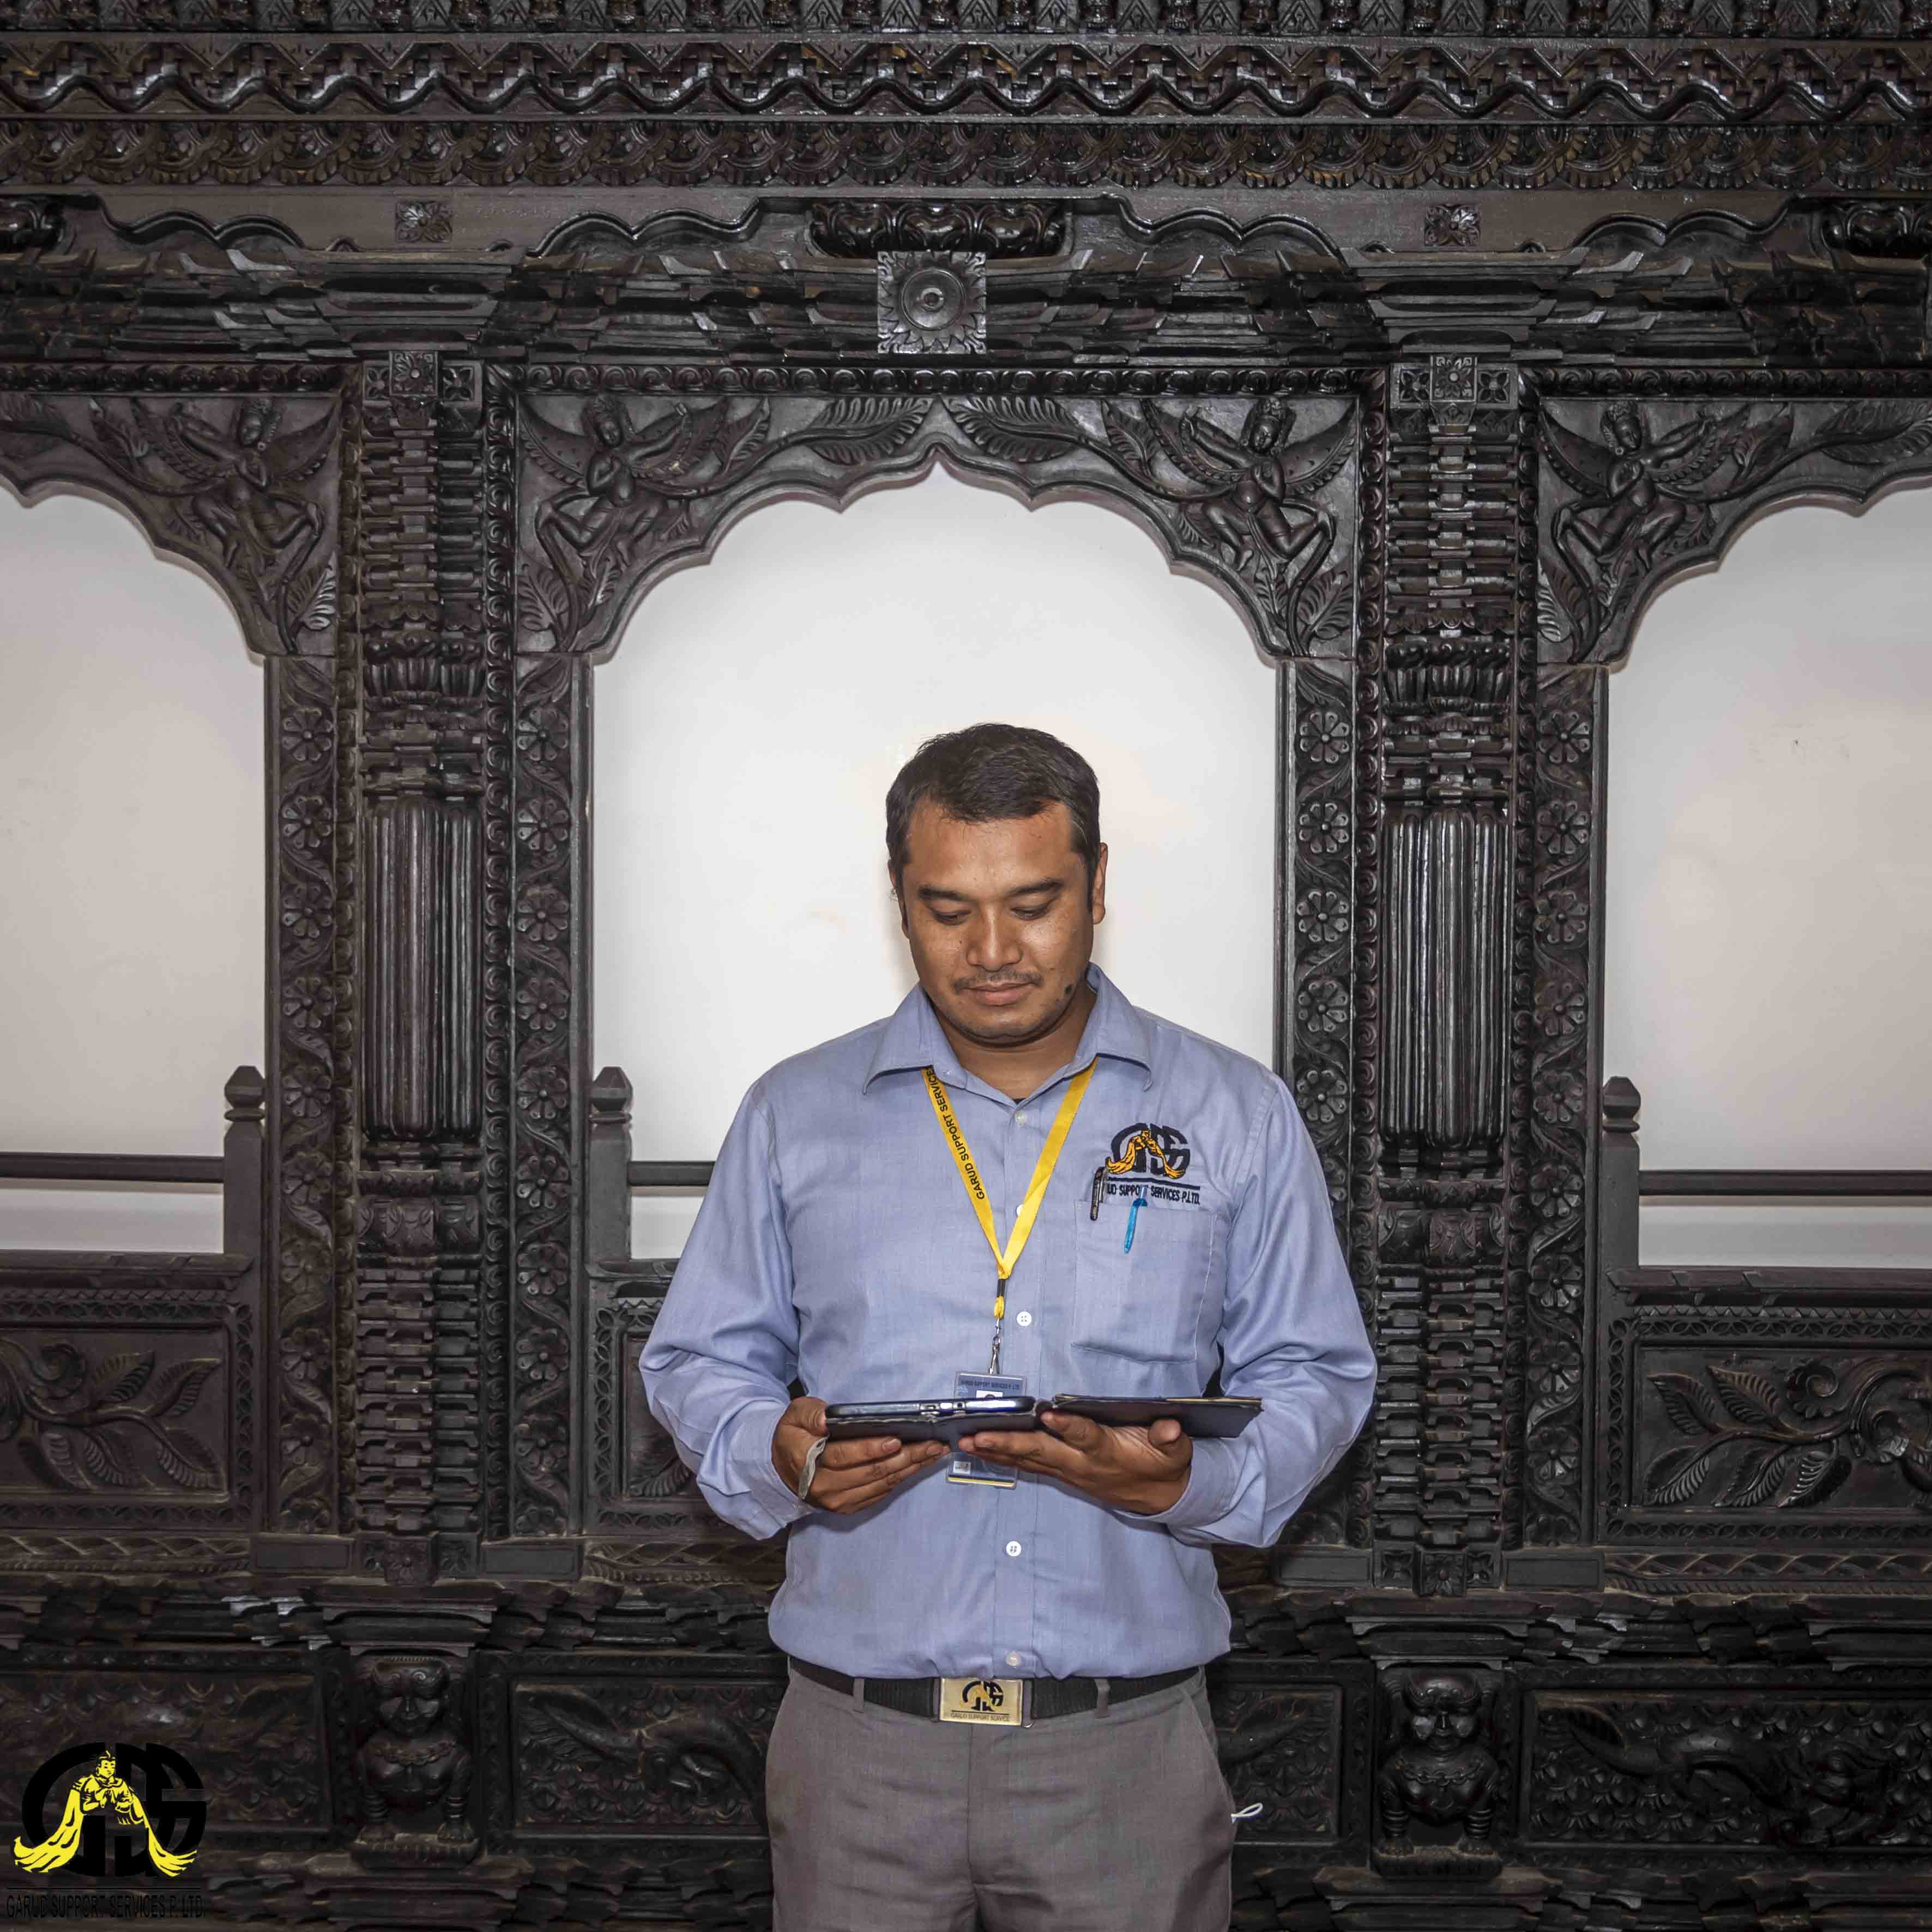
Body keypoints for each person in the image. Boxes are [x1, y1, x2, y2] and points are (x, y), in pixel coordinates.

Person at [641, 722, 1375, 1932]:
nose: (990, 951)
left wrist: (1188, 1482)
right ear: (899, 901)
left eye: (1032, 905)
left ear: (1098, 885)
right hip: (857, 1751)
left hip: (1124, 1751)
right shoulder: (794, 1113)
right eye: (948, 910)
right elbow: (699, 1358)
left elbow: (1315, 1368)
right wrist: (772, 1452)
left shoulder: (1232, 1112)